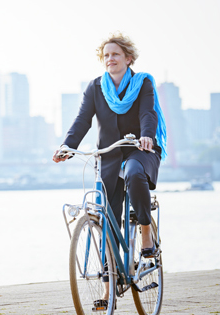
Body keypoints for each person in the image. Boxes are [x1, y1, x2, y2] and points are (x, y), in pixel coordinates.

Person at [53, 32, 167, 305]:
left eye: (115, 54)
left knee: (135, 173)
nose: (110, 59)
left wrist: (147, 135)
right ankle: (107, 293)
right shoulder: (95, 88)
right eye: (106, 56)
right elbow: (83, 120)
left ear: (128, 59)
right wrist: (67, 146)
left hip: (141, 149)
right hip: (109, 156)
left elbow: (147, 113)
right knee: (106, 221)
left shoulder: (143, 83)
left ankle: (145, 232)